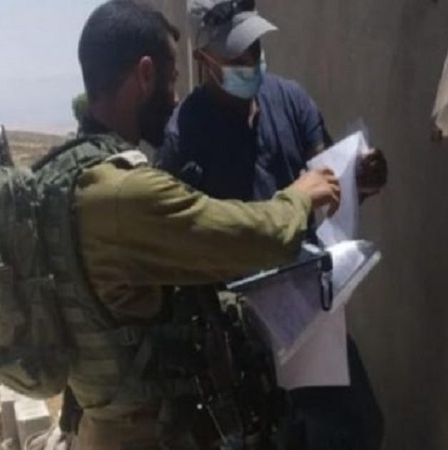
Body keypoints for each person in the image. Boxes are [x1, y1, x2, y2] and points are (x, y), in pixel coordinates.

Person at [28, 1, 341, 449]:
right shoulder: (125, 194)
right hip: (146, 432)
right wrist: (300, 198)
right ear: (145, 75)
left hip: (97, 422)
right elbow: (242, 237)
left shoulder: (54, 177)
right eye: (172, 80)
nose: (175, 98)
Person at [155, 1, 388, 449]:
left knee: (357, 427)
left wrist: (359, 178)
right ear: (203, 61)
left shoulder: (289, 100)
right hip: (242, 330)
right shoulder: (184, 138)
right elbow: (181, 245)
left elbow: (328, 176)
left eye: (255, 48)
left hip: (308, 311)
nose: (250, 62)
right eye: (235, 56)